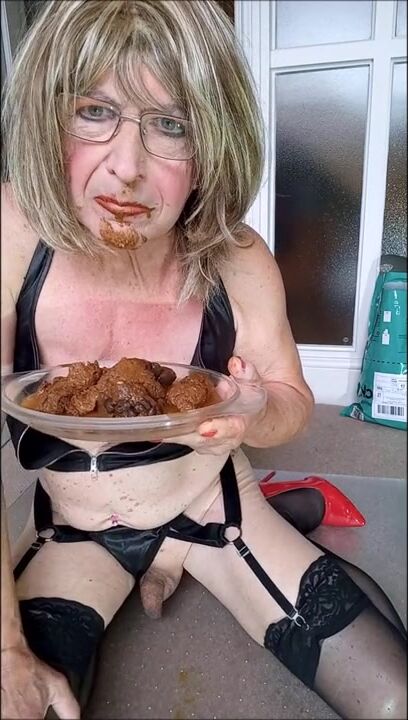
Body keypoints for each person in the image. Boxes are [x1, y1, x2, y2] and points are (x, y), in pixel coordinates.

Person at [1, 2, 406, 719]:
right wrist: (9, 651)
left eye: (171, 125)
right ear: (47, 119)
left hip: (212, 504)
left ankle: (203, 545)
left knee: (392, 696)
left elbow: (291, 403)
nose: (127, 168)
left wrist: (254, 411)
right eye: (94, 112)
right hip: (73, 524)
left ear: (214, 140)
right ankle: (170, 560)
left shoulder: (237, 258)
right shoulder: (11, 234)